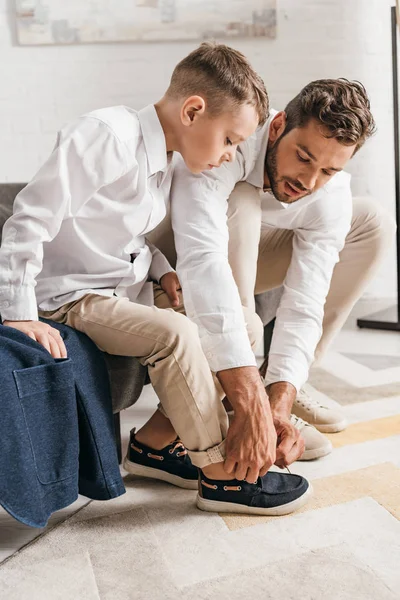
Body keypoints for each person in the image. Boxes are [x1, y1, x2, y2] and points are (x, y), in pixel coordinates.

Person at [0, 42, 312, 516]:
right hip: (67, 297)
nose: (231, 155)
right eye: (229, 139)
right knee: (177, 335)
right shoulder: (105, 136)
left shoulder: (166, 157)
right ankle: (221, 474)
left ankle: (156, 448)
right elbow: (28, 221)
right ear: (193, 110)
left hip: (116, 291)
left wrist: (164, 272)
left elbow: (121, 236)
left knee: (234, 324)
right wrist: (19, 316)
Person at [152, 77, 395, 463]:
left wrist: (278, 405)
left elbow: (306, 300)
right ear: (279, 126)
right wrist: (248, 404)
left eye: (328, 170)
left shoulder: (325, 190)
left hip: (251, 255)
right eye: (303, 157)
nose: (309, 181)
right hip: (175, 262)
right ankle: (241, 383)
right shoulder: (231, 138)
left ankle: (281, 385)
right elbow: (203, 260)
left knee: (372, 220)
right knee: (244, 199)